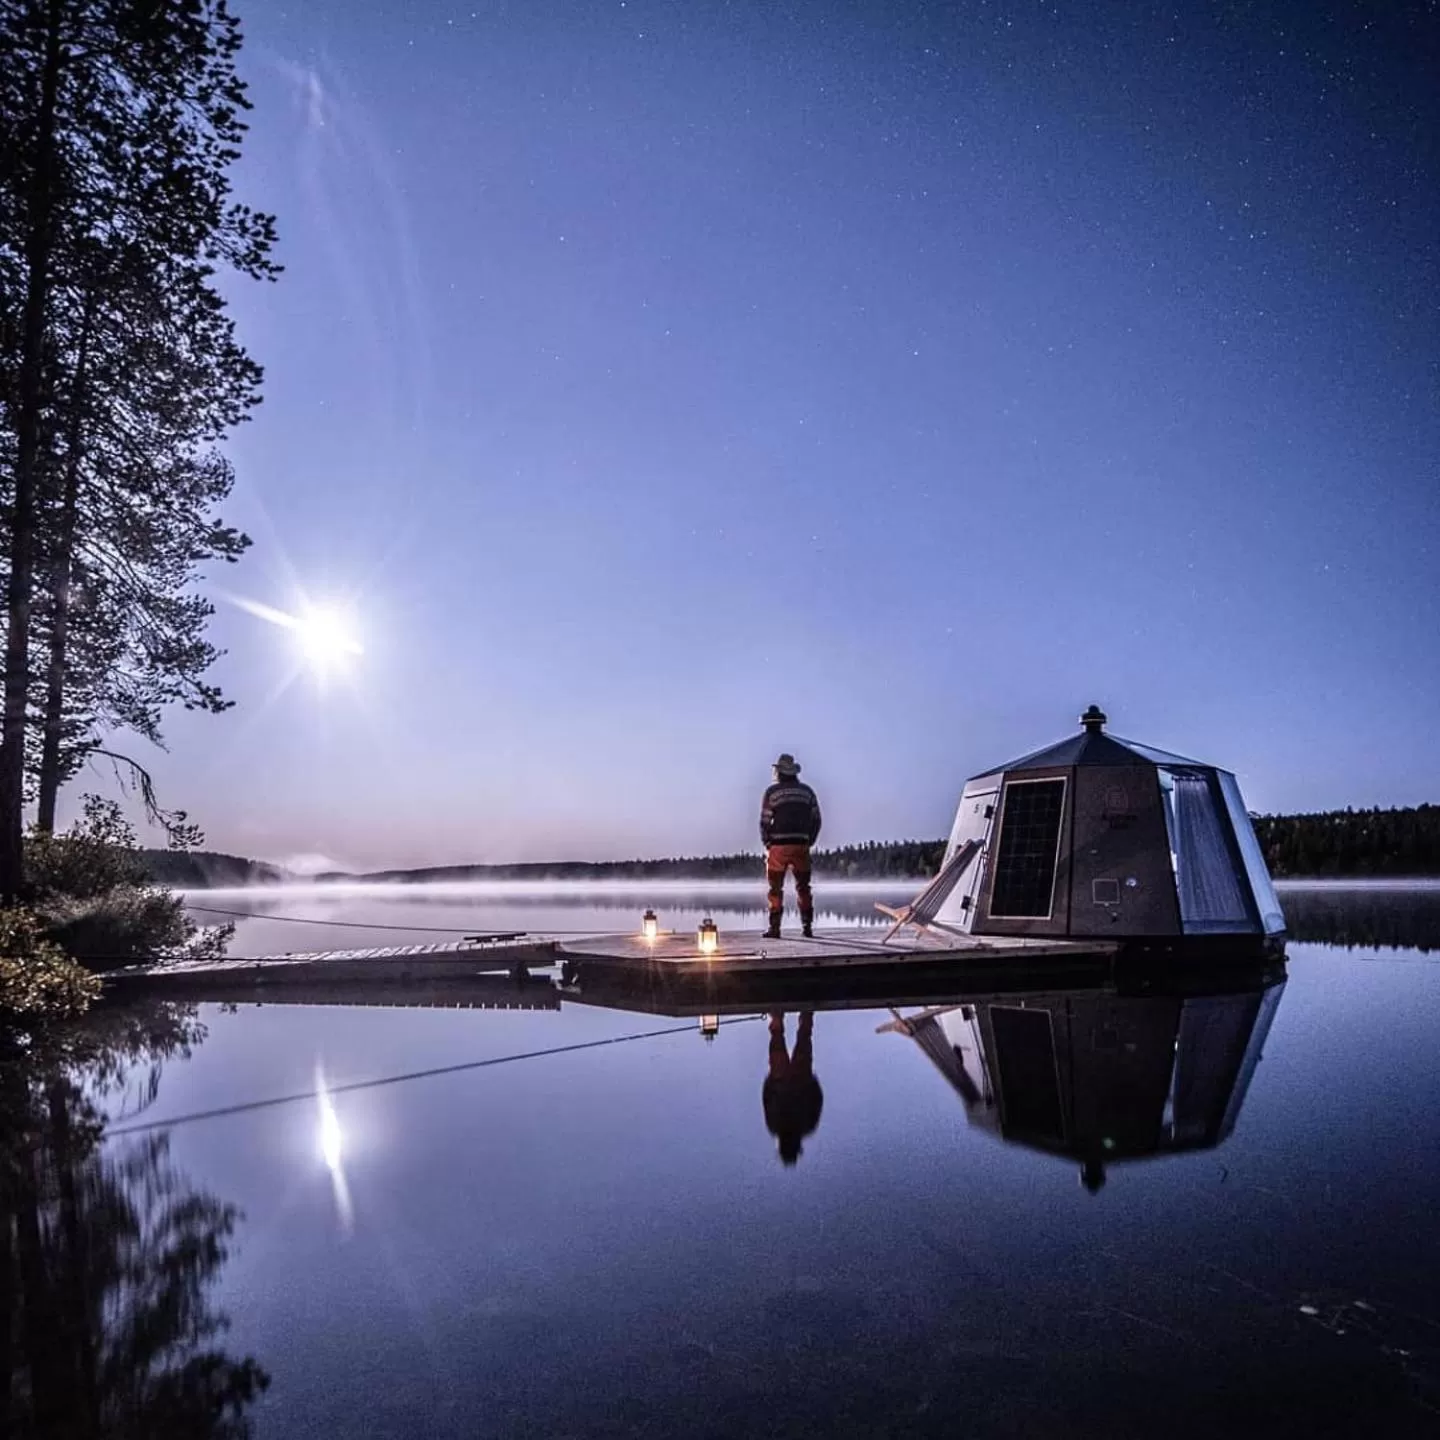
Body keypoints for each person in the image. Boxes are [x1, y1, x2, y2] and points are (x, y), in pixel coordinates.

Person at [759, 753, 822, 939]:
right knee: (803, 886)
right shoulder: (807, 791)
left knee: (775, 888)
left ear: (779, 773)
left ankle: (775, 928)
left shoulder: (772, 792)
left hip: (778, 845)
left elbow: (764, 820)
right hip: (801, 843)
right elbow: (817, 819)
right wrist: (810, 839)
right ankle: (807, 927)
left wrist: (767, 841)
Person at [762, 1012, 823, 1165]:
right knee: (778, 1041)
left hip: (798, 1081)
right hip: (783, 1081)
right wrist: (770, 1082)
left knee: (803, 1037)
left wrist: (811, 1082)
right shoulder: (775, 1126)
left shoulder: (807, 1126)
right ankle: (779, 1015)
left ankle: (804, 1013)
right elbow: (766, 1098)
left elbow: (818, 1099)